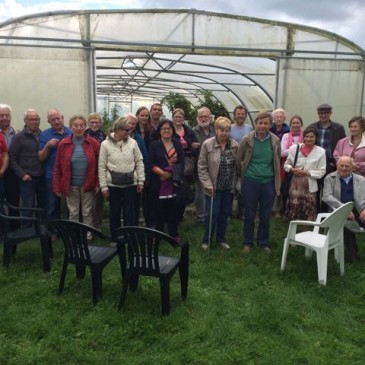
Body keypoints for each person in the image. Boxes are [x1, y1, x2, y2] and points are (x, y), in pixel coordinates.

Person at [236, 111, 281, 253]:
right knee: (249, 214)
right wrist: (243, 170)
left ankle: (263, 242)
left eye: (266, 123)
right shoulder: (247, 139)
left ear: (270, 124)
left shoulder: (275, 141)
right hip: (251, 181)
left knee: (265, 215)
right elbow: (239, 159)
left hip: (268, 182)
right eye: (260, 123)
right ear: (256, 124)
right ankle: (248, 243)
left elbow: (277, 160)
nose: (262, 126)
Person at [53, 115, 100, 239]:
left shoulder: (93, 143)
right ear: (70, 127)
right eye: (75, 125)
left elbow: (99, 166)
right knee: (73, 212)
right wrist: (57, 186)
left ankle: (88, 234)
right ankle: (73, 235)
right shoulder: (64, 144)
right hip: (70, 184)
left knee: (87, 211)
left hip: (88, 184)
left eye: (81, 125)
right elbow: (58, 166)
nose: (79, 128)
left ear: (85, 127)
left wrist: (97, 184)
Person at [99, 117, 145, 234]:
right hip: (113, 185)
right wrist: (104, 187)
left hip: (131, 184)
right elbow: (102, 166)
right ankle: (115, 236)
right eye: (126, 130)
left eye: (129, 129)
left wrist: (140, 181)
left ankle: (129, 236)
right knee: (114, 212)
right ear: (118, 130)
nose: (129, 132)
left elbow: (139, 161)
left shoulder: (133, 143)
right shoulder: (105, 144)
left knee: (129, 212)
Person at [198, 117, 238, 250]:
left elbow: (237, 166)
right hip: (213, 187)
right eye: (221, 130)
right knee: (213, 214)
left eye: (227, 130)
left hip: (228, 186)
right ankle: (206, 240)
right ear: (216, 130)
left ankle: (221, 239)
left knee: (224, 214)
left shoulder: (234, 145)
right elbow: (202, 166)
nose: (224, 133)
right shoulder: (207, 144)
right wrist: (208, 184)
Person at [322, 156, 365, 262]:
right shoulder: (330, 178)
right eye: (341, 165)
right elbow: (327, 197)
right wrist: (344, 209)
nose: (344, 168)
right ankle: (353, 254)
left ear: (352, 167)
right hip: (339, 210)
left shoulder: (361, 179)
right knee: (346, 224)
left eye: (347, 166)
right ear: (337, 166)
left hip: (358, 210)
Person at [148, 119, 184, 242]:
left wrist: (170, 173)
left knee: (173, 209)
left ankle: (173, 233)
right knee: (158, 209)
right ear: (160, 131)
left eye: (169, 128)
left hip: (173, 183)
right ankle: (158, 233)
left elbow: (181, 162)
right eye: (164, 128)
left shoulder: (177, 143)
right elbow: (150, 163)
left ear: (173, 130)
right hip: (159, 182)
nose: (167, 130)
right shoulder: (154, 145)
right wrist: (162, 173)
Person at [38, 108, 72, 240]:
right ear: (49, 122)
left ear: (62, 118)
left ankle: (71, 229)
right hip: (52, 176)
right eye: (53, 120)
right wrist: (47, 146)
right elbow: (40, 157)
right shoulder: (45, 135)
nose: (57, 121)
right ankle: (54, 232)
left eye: (58, 118)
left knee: (72, 204)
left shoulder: (71, 132)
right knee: (52, 205)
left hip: (70, 175)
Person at [308, 103, 346, 211]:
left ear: (330, 113)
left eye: (325, 113)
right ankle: (314, 212)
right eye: (321, 113)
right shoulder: (312, 127)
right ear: (318, 114)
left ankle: (324, 215)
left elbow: (342, 146)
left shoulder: (338, 128)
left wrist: (336, 163)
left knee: (327, 190)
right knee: (314, 190)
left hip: (330, 164)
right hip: (315, 164)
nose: (323, 115)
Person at [9, 109, 45, 221]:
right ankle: (26, 229)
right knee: (28, 206)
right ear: (25, 121)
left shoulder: (43, 135)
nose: (34, 122)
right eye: (31, 119)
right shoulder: (18, 137)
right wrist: (22, 174)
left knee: (42, 204)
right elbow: (12, 158)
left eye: (36, 119)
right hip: (27, 178)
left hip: (42, 176)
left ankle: (41, 228)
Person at [284, 127, 326, 221]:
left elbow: (322, 171)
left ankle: (305, 230)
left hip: (310, 186)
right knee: (294, 210)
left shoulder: (321, 151)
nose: (309, 139)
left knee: (308, 211)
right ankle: (293, 232)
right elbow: (286, 165)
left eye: (312, 137)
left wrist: (307, 172)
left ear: (316, 138)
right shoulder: (294, 149)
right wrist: (292, 169)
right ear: (303, 137)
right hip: (295, 185)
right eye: (307, 136)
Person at [172, 108, 199, 222]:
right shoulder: (169, 130)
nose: (178, 119)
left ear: (183, 118)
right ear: (173, 118)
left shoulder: (189, 131)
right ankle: (171, 216)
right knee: (174, 189)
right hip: (173, 164)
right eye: (176, 117)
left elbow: (196, 147)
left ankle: (180, 216)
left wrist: (191, 149)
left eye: (180, 117)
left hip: (186, 165)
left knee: (184, 190)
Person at [193, 107, 215, 224]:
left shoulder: (215, 130)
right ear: (198, 118)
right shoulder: (193, 131)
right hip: (199, 165)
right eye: (201, 116)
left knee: (213, 189)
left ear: (210, 118)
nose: (203, 118)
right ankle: (201, 217)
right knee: (200, 193)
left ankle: (211, 214)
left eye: (206, 116)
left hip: (214, 165)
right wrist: (193, 147)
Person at [126, 113, 149, 226]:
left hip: (134, 176)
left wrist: (143, 176)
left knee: (135, 204)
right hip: (118, 177)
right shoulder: (114, 137)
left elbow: (143, 158)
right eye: (129, 123)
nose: (131, 126)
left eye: (133, 123)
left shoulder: (138, 139)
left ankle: (134, 227)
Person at [0, 104, 20, 228]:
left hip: (13, 173)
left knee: (14, 201)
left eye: (7, 115)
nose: (4, 118)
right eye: (1, 115)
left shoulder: (17, 134)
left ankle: (15, 228)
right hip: (1, 172)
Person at [85, 112, 106, 230]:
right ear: (88, 123)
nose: (94, 124)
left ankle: (97, 224)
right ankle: (86, 223)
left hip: (99, 169)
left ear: (100, 123)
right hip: (85, 171)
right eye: (92, 122)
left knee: (98, 199)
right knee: (86, 199)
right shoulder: (84, 134)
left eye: (96, 122)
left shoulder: (104, 136)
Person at [280, 115, 304, 210]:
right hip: (288, 166)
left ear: (301, 124)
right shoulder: (286, 136)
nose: (295, 125)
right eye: (293, 123)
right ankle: (285, 209)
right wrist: (297, 148)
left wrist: (291, 148)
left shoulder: (306, 135)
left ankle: (297, 209)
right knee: (285, 189)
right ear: (290, 125)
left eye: (297, 123)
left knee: (299, 190)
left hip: (302, 167)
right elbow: (282, 153)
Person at [270, 108, 290, 218]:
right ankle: (269, 207)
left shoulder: (288, 131)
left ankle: (278, 208)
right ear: (273, 118)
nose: (278, 118)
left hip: (283, 160)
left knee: (279, 183)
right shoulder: (269, 128)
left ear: (284, 118)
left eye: (280, 117)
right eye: (276, 117)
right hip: (269, 157)